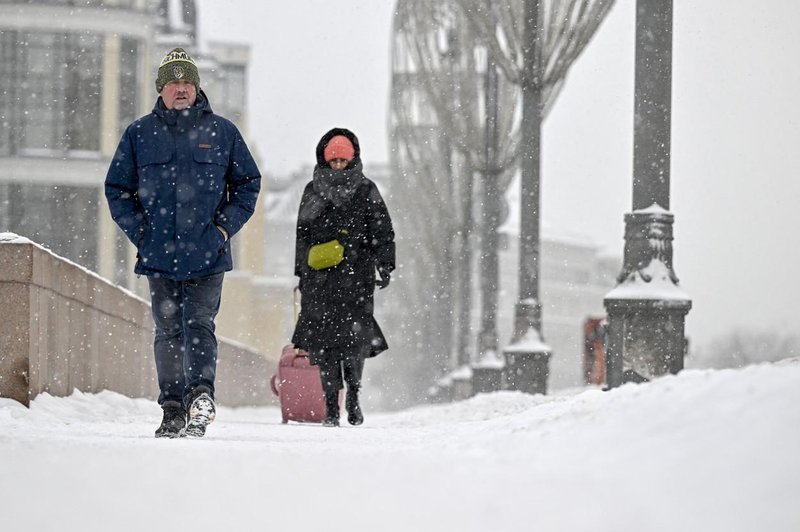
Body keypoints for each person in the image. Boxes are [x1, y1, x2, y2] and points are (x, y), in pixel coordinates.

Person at [104, 48, 261, 438]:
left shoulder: (222, 132)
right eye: (173, 82)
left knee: (200, 325)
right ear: (161, 89)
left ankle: (201, 396)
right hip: (160, 255)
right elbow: (117, 189)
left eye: (187, 81)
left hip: (208, 254)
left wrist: (223, 229)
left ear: (196, 87)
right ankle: (172, 407)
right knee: (168, 330)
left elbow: (248, 184)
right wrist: (142, 235)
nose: (181, 88)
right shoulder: (139, 133)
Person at [291, 128, 395, 427]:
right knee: (324, 347)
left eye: (342, 160)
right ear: (325, 159)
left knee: (354, 343)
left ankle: (353, 395)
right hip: (320, 280)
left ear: (352, 160)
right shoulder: (312, 191)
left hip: (356, 277)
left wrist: (384, 264)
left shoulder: (366, 190)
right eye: (333, 160)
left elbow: (382, 230)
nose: (337, 165)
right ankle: (331, 406)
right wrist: (301, 273)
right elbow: (302, 234)